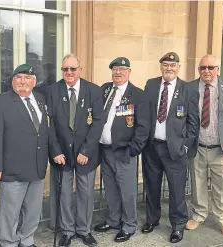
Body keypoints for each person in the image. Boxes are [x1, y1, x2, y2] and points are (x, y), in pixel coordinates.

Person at [0, 64, 49, 247]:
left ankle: (26, 239)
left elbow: (44, 131)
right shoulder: (1, 101)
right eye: (18, 77)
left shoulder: (40, 99)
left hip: (37, 167)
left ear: (34, 82)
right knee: (11, 212)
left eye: (27, 78)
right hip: (12, 167)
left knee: (33, 210)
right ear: (12, 81)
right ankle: (9, 242)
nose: (23, 82)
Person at [141, 52, 199, 243]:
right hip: (152, 148)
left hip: (175, 149)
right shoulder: (151, 84)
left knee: (176, 190)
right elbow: (144, 115)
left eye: (173, 65)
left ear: (178, 68)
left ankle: (178, 225)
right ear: (161, 67)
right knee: (152, 186)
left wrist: (185, 145)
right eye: (165, 64)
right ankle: (152, 219)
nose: (169, 68)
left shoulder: (187, 89)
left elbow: (193, 122)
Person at [46, 54, 104, 247]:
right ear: (61, 71)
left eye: (72, 69)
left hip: (85, 155)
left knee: (85, 193)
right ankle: (67, 231)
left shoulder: (94, 91)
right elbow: (49, 124)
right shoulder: (53, 91)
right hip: (61, 154)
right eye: (65, 69)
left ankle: (84, 230)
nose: (69, 73)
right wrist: (55, 150)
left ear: (80, 69)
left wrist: (86, 151)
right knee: (64, 194)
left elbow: (97, 123)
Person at [185, 55, 223, 237]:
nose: (207, 71)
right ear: (198, 70)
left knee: (221, 186)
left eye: (211, 67)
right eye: (203, 68)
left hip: (221, 147)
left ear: (218, 68)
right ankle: (199, 214)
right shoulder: (190, 87)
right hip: (198, 147)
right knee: (198, 183)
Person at [93, 57, 150, 242]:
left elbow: (143, 127)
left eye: (123, 69)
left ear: (129, 72)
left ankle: (129, 224)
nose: (118, 72)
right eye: (115, 69)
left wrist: (134, 149)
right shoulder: (105, 89)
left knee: (127, 190)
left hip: (124, 151)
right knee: (110, 188)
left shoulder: (138, 94)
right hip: (105, 149)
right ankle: (114, 220)